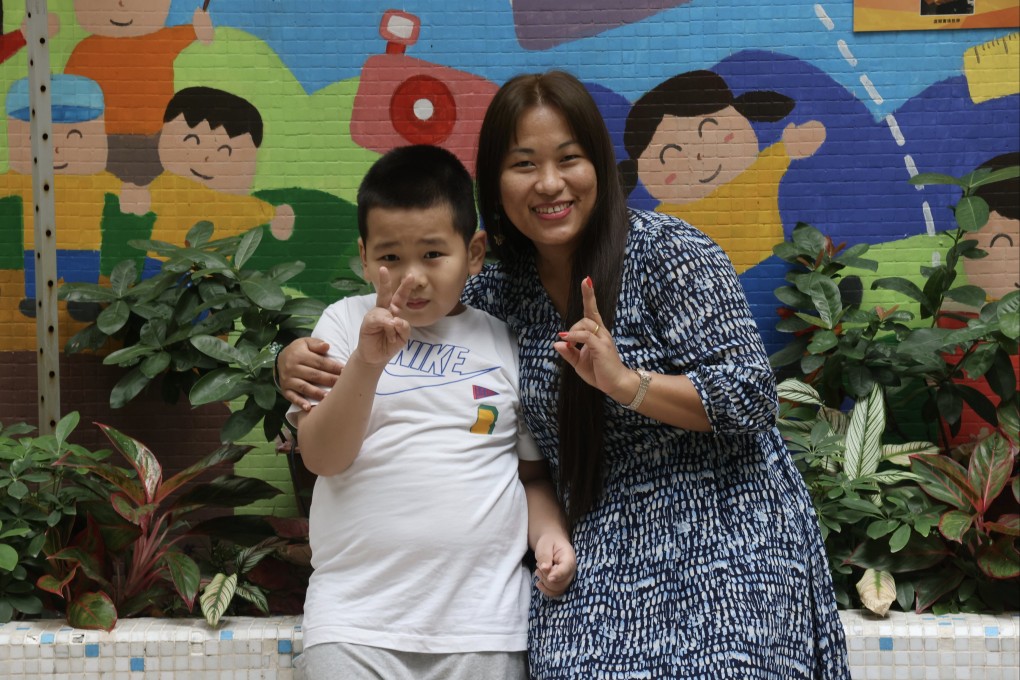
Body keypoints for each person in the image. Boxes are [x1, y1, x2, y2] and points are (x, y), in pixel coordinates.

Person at [279, 71, 850, 678]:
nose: (549, 184)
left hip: (723, 528)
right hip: (593, 539)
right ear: (497, 183)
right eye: (524, 163)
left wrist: (626, 382)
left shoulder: (670, 253)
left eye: (568, 159)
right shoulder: (496, 289)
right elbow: (409, 317)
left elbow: (750, 399)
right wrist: (289, 360)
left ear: (599, 165)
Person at [288, 144, 575, 680]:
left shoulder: (502, 342)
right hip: (354, 622)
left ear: (474, 253)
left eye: (432, 255)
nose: (411, 277)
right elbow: (322, 457)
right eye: (390, 257)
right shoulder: (345, 324)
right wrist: (367, 365)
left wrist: (549, 535)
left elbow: (528, 475)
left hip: (481, 625)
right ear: (365, 255)